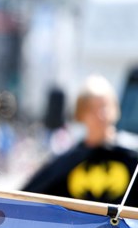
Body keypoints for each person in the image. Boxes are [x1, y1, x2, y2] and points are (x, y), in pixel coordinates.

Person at [22, 74, 138, 207]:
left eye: (104, 107)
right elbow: (28, 197)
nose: (101, 115)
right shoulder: (68, 162)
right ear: (80, 114)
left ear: (115, 109)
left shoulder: (133, 156)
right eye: (92, 109)